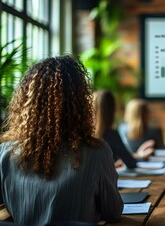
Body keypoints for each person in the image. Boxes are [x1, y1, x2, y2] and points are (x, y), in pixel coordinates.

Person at [0, 56, 123, 225]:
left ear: (25, 102)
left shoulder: (5, 153)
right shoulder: (97, 151)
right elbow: (113, 212)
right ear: (80, 103)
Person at [93, 90, 154, 168]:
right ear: (112, 111)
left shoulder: (81, 134)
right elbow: (130, 163)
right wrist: (141, 156)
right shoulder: (111, 134)